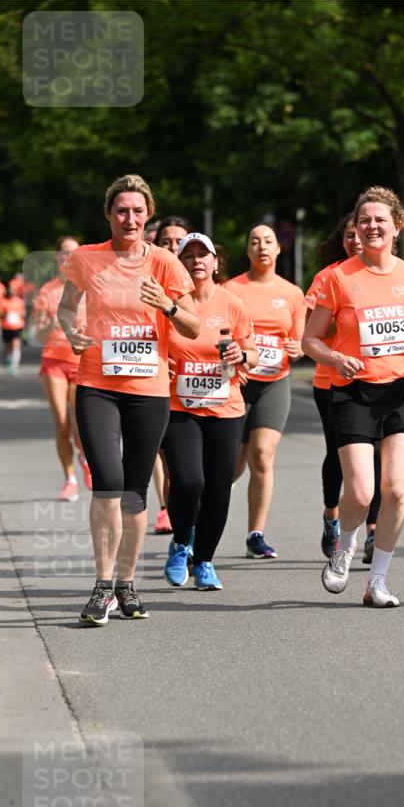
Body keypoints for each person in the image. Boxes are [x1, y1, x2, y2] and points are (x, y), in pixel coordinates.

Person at [57, 173, 199, 625]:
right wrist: (71, 330)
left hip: (148, 390)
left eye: (138, 210)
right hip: (98, 384)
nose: (130, 218)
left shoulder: (164, 263)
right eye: (121, 210)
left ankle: (127, 583)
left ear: (148, 214)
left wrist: (169, 306)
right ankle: (102, 587)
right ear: (108, 215)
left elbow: (195, 327)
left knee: (136, 491)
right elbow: (65, 306)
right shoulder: (86, 258)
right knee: (108, 481)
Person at [302, 186, 404, 607]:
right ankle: (344, 545)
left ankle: (378, 581)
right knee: (363, 492)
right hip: (354, 393)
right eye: (364, 220)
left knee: (397, 491)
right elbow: (309, 340)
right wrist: (334, 356)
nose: (371, 227)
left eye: (380, 220)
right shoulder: (337, 278)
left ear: (396, 226)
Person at [162, 233, 258, 590]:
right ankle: (179, 544)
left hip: (225, 407)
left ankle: (204, 561)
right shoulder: (169, 303)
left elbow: (253, 351)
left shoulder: (232, 303)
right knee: (189, 481)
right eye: (188, 255)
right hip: (178, 406)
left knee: (219, 487)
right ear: (179, 264)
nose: (197, 260)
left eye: (205, 255)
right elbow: (151, 346)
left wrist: (241, 356)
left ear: (217, 263)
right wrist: (163, 367)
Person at [306, 214, 382, 560]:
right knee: (338, 454)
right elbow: (311, 329)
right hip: (331, 380)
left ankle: (373, 531)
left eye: (359, 234)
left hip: (378, 380)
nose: (355, 240)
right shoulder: (329, 277)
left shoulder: (384, 275)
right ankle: (331, 514)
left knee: (377, 456)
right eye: (349, 235)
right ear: (343, 239)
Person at [228, 223, 305, 559]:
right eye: (255, 241)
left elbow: (300, 341)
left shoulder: (292, 293)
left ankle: (255, 535)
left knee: (262, 454)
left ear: (278, 250)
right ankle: (199, 526)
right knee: (231, 467)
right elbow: (218, 334)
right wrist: (233, 365)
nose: (262, 246)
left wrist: (299, 348)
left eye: (268, 241)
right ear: (247, 250)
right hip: (236, 383)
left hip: (274, 383)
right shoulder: (231, 289)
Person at [32, 236, 92, 500]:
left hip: (82, 361)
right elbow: (38, 334)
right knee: (62, 424)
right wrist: (52, 324)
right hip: (54, 361)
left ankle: (85, 457)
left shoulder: (89, 288)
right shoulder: (47, 291)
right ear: (57, 258)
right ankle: (69, 479)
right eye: (64, 253)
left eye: (74, 253)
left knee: (81, 425)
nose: (69, 258)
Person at [150, 215, 194, 533]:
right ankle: (170, 513)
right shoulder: (148, 282)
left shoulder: (208, 284)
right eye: (167, 242)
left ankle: (189, 526)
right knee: (166, 457)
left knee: (194, 470)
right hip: (159, 384)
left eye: (181, 242)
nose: (175, 248)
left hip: (200, 388)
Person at [0, 285, 25, 375]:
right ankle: (7, 359)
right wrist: (6, 314)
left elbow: (23, 313)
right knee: (7, 346)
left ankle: (14, 366)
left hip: (17, 327)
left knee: (16, 345)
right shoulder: (3, 301)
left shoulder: (19, 301)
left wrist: (18, 314)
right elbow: (0, 313)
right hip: (6, 327)